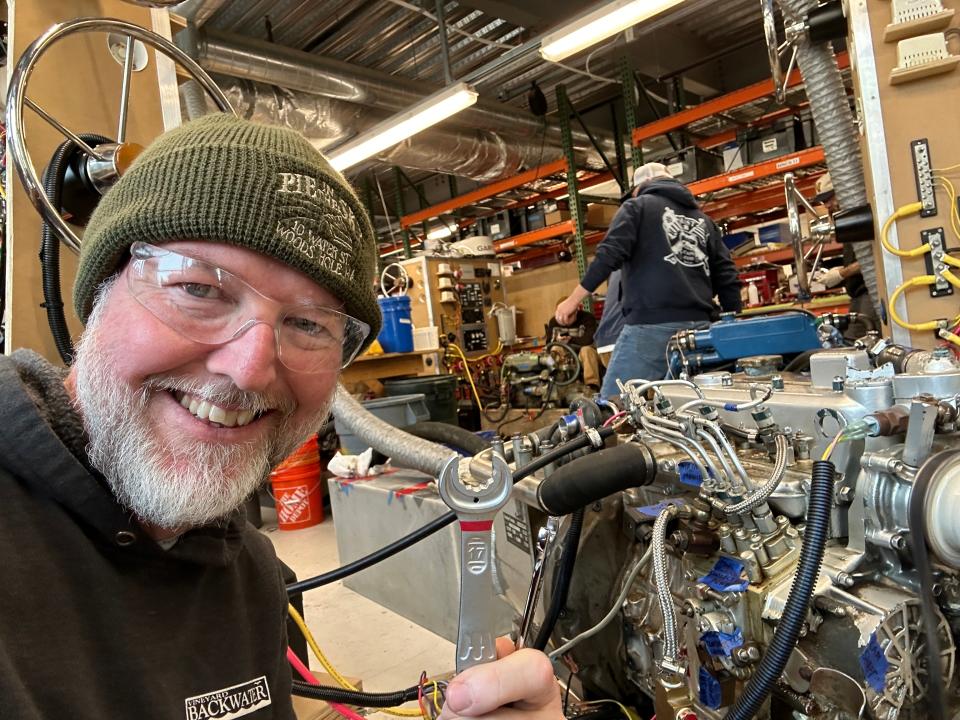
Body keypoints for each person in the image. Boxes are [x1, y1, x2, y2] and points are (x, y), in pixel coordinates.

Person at [0, 114, 561, 720]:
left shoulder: (249, 574)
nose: (249, 369)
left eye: (307, 324)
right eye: (199, 290)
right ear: (100, 293)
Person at [555, 162, 741, 396]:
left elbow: (608, 254)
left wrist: (572, 300)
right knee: (683, 405)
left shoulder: (637, 207)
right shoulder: (704, 221)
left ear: (639, 188)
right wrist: (731, 323)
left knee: (613, 406)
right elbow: (728, 276)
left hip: (652, 327)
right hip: (701, 329)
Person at [813, 172, 878, 338]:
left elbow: (872, 256)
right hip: (858, 294)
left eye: (829, 198)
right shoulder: (849, 221)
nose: (827, 205)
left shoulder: (862, 215)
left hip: (869, 292)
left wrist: (842, 273)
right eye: (823, 201)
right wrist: (841, 269)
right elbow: (860, 258)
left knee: (857, 341)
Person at [544, 297, 601, 389]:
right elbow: (548, 346)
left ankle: (592, 385)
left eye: (569, 316)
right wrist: (557, 341)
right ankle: (557, 383)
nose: (565, 320)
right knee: (555, 349)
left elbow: (588, 340)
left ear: (576, 310)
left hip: (584, 354)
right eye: (562, 316)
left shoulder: (587, 318)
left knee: (586, 350)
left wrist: (570, 339)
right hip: (565, 354)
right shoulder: (553, 322)